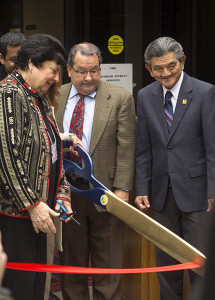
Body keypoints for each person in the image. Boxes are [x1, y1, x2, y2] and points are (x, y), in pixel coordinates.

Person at [135, 36, 215, 300]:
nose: (165, 73)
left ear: (182, 61)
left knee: (199, 263)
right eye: (157, 68)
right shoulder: (145, 96)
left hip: (198, 193)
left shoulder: (205, 92)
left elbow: (212, 147)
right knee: (166, 264)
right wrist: (142, 187)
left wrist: (213, 190)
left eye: (171, 66)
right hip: (161, 193)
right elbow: (144, 148)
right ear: (148, 69)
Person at [56, 42, 136, 300]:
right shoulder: (54, 95)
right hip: (66, 190)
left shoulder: (120, 98)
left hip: (105, 192)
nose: (88, 77)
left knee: (108, 262)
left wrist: (122, 190)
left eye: (94, 71)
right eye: (81, 71)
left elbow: (126, 147)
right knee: (72, 259)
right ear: (69, 69)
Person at [0, 33, 73, 300]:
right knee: (19, 288)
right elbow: (7, 156)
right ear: (31, 63)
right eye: (52, 70)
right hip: (18, 215)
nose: (56, 78)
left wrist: (62, 192)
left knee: (35, 287)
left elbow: (52, 151)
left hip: (40, 211)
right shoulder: (8, 94)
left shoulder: (37, 96)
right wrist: (32, 204)